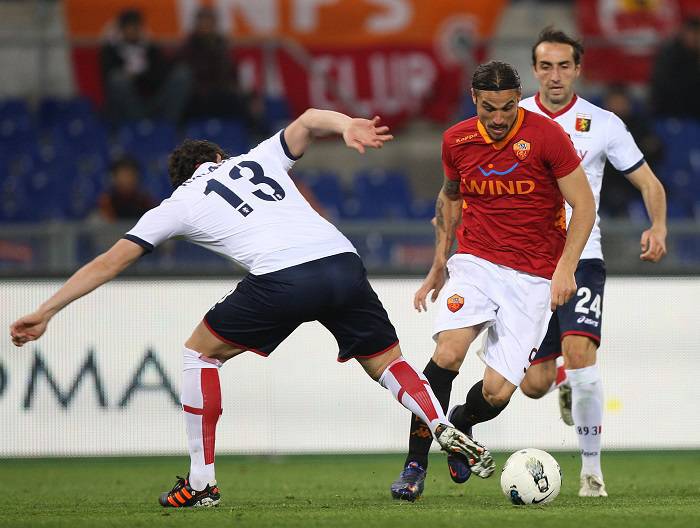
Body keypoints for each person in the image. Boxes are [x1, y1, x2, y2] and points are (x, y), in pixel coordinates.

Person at [9, 108, 494, 508]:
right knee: (389, 362)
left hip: (284, 276)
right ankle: (439, 422)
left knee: (199, 353)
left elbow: (110, 262)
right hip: (344, 262)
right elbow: (306, 120)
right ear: (219, 158)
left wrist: (49, 310)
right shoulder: (256, 158)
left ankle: (201, 483)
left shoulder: (176, 203)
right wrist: (345, 126)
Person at [390, 60, 596, 502]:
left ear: (516, 99)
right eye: (489, 109)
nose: (499, 118)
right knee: (448, 351)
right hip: (477, 262)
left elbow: (584, 204)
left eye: (506, 108)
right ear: (474, 100)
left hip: (535, 277)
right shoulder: (456, 140)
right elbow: (449, 197)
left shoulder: (546, 136)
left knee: (497, 392)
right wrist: (437, 266)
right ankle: (414, 464)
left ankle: (462, 423)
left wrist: (565, 267)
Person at [519, 27, 667, 498]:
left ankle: (591, 471)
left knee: (582, 354)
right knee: (532, 385)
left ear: (578, 69)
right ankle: (556, 373)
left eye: (564, 66)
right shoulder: (514, 118)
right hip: (525, 263)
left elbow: (650, 183)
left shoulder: (602, 124)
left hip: (583, 255)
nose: (556, 75)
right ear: (535, 69)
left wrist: (658, 226)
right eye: (546, 66)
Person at [179, 6, 265, 132]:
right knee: (230, 100)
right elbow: (193, 74)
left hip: (222, 92)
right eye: (203, 23)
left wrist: (248, 94)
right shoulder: (189, 47)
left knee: (246, 100)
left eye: (209, 23)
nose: (206, 26)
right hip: (198, 96)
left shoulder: (221, 45)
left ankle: (257, 133)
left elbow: (231, 72)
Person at [100, 9, 191, 124]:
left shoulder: (151, 49)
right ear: (121, 29)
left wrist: (141, 73)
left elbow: (161, 76)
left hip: (153, 99)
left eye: (136, 26)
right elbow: (108, 80)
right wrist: (127, 75)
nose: (133, 30)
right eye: (129, 27)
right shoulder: (110, 51)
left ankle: (168, 126)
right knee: (118, 79)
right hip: (126, 106)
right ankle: (139, 126)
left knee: (182, 73)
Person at [600, 84, 663, 218]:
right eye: (614, 102)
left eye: (621, 102)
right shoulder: (598, 126)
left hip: (635, 182)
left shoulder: (640, 125)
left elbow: (655, 151)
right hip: (606, 183)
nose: (617, 106)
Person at [649, 16, 700, 119]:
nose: (696, 38)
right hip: (670, 110)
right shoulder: (670, 53)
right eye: (693, 33)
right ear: (684, 33)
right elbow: (665, 85)